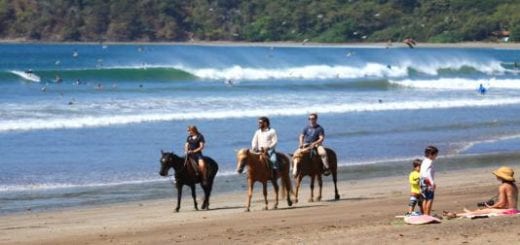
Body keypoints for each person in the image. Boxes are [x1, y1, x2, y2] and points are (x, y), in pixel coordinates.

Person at [443, 166, 519, 219]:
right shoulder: (514, 186)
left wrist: (491, 207)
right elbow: (507, 202)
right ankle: (471, 212)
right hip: (514, 210)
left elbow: (502, 202)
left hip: (509, 211)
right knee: (483, 211)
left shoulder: (503, 186)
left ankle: (456, 215)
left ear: (501, 176)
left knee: (486, 210)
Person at [420, 145, 439, 216]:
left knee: (425, 198)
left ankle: (424, 214)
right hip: (427, 181)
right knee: (430, 199)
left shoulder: (424, 161)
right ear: (431, 155)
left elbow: (422, 173)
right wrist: (432, 183)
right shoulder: (430, 162)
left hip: (422, 181)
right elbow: (428, 173)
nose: (436, 157)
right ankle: (427, 215)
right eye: (435, 155)